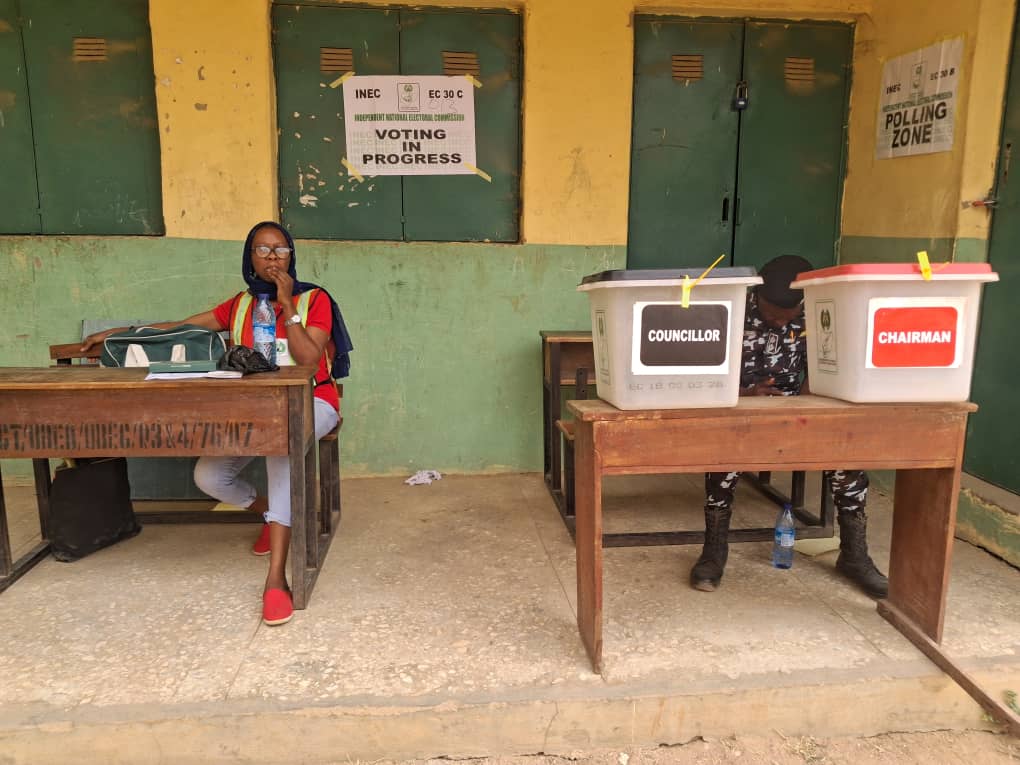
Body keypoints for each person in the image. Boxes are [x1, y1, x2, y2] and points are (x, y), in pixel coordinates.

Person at [81, 221, 353, 626]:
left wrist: (287, 303)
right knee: (209, 475)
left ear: (292, 255)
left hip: (312, 401)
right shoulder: (239, 305)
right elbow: (180, 326)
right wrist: (122, 334)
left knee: (284, 448)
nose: (273, 257)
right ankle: (273, 515)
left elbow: (309, 360)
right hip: (256, 406)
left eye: (280, 249)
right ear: (250, 258)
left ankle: (277, 578)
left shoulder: (315, 299)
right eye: (262, 250)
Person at [689, 255, 888, 599]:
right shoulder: (731, 311)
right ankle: (714, 552)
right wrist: (744, 394)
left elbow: (826, 367)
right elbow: (703, 370)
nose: (778, 322)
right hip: (739, 411)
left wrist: (809, 403)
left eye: (787, 316)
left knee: (848, 461)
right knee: (722, 462)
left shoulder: (818, 313)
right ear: (757, 297)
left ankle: (855, 555)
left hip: (796, 410)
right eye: (770, 314)